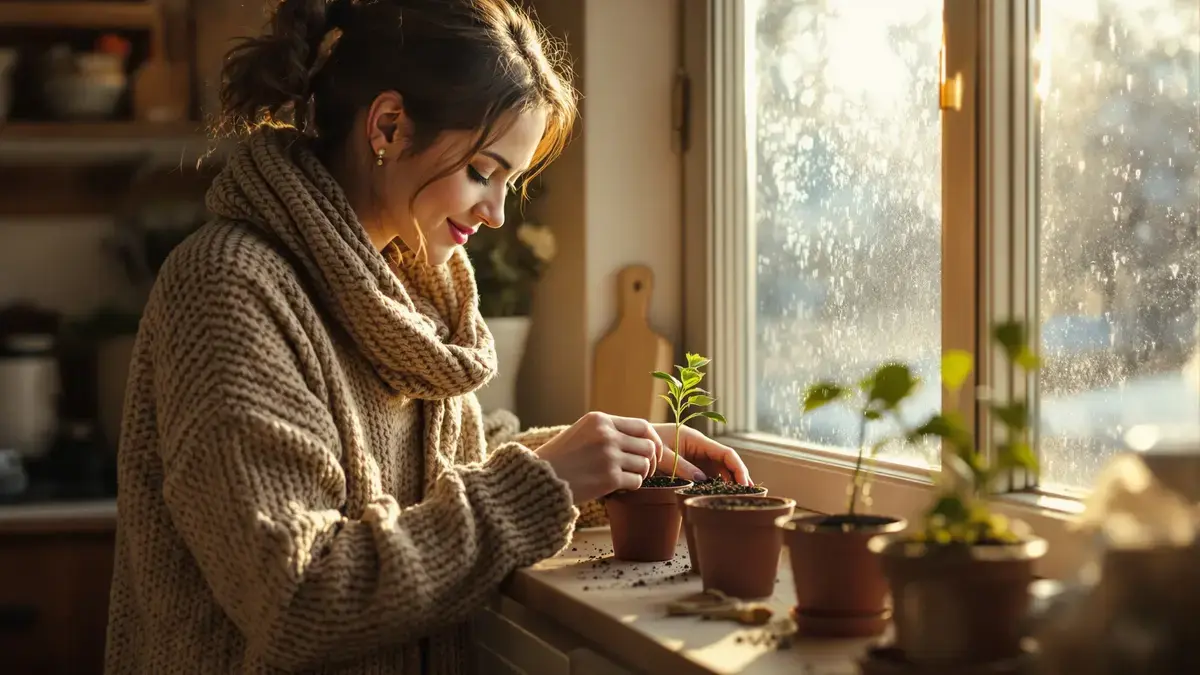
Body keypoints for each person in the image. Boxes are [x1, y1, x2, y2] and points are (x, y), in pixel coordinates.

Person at [103, 0, 751, 673]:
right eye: (483, 171)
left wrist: (610, 455)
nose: (497, 213)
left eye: (511, 182)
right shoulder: (228, 287)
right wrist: (548, 480)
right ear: (388, 126)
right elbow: (297, 594)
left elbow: (444, 471)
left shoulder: (408, 285)